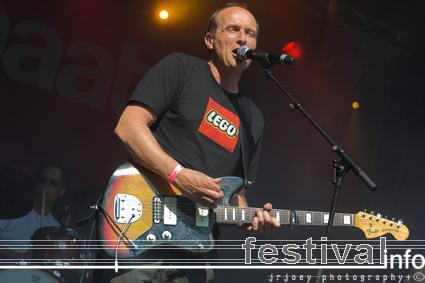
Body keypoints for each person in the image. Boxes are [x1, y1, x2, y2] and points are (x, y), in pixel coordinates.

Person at [95, 3, 281, 282]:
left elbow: (236, 194)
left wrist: (253, 222)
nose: (243, 38)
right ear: (209, 39)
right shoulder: (181, 68)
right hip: (143, 233)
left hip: (197, 254)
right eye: (233, 29)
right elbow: (128, 126)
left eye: (250, 33)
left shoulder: (253, 118)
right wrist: (177, 175)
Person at [0, 162, 66, 261]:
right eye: (42, 180)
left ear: (61, 191)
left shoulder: (56, 229)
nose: (46, 185)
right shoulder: (10, 209)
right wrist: (20, 257)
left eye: (53, 183)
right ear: (36, 181)